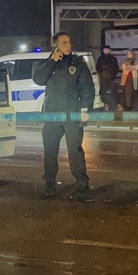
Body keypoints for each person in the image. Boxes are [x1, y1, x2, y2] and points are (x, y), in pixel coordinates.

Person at [33, 32, 96, 199]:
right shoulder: (47, 63)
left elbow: (87, 87)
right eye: (64, 43)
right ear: (56, 46)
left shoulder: (77, 63)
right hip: (52, 114)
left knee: (75, 151)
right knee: (50, 151)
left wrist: (85, 109)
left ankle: (82, 186)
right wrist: (52, 60)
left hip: (72, 114)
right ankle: (50, 183)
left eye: (69, 42)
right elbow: (38, 79)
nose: (68, 45)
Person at [96, 45, 120, 111]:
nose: (106, 51)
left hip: (111, 77)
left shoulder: (113, 59)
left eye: (107, 50)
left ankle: (118, 104)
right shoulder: (100, 59)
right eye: (105, 50)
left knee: (114, 90)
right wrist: (101, 74)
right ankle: (104, 103)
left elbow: (116, 68)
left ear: (110, 50)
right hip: (103, 77)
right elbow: (98, 67)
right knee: (102, 91)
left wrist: (112, 75)